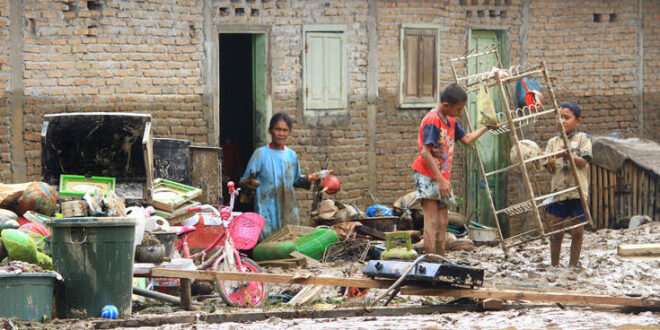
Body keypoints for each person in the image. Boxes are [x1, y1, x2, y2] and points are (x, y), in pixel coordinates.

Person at [411, 84, 495, 255]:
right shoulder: (432, 120)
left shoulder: (451, 120)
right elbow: (425, 153)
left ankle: (440, 256)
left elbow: (467, 139)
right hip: (428, 175)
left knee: (443, 221)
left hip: (443, 177)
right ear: (446, 105)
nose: (461, 112)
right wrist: (440, 180)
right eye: (459, 108)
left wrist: (487, 127)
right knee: (431, 219)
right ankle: (429, 258)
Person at [240, 113, 321, 240]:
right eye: (278, 129)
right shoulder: (260, 154)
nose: (281, 134)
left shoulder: (291, 156)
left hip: (288, 208)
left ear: (289, 132)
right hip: (267, 209)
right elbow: (244, 181)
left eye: (285, 130)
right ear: (270, 131)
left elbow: (295, 180)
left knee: (289, 242)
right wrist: (250, 182)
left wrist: (310, 178)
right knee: (268, 244)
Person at [543, 102, 591, 268]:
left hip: (577, 193)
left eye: (566, 117)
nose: (562, 120)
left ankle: (572, 266)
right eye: (559, 117)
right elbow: (548, 168)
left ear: (578, 121)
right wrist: (549, 161)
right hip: (559, 192)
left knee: (577, 231)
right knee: (556, 232)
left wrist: (568, 155)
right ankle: (554, 265)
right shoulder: (552, 142)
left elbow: (584, 162)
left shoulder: (583, 139)